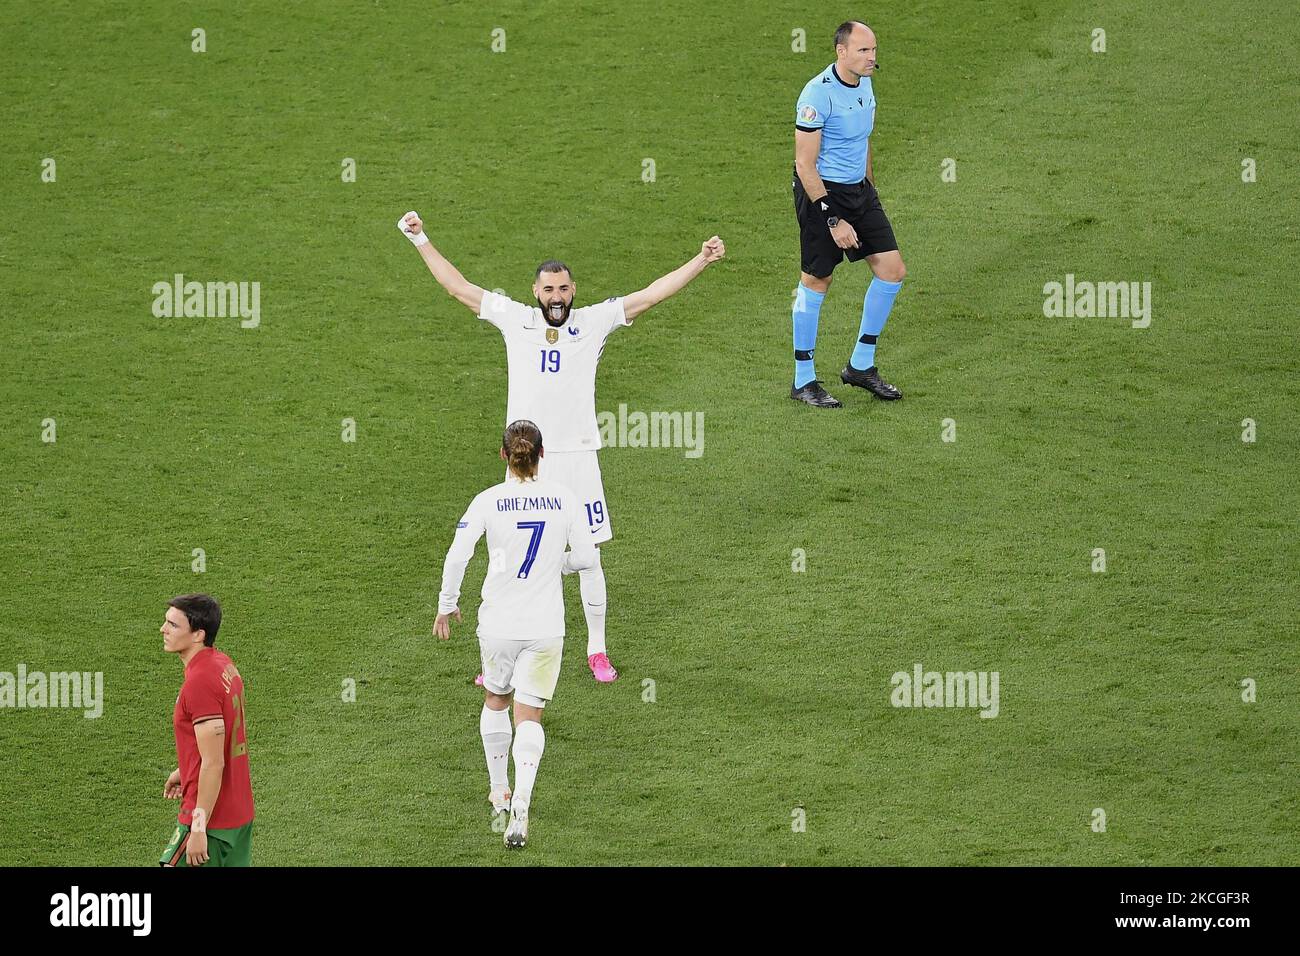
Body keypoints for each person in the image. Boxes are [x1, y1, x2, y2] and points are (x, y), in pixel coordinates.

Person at [399, 208, 725, 682]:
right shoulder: (515, 319)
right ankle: (498, 654)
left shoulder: (592, 322)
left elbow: (650, 296)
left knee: (589, 557)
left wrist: (700, 260)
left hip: (576, 456)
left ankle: (597, 649)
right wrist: (420, 238)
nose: (557, 296)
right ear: (536, 292)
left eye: (564, 288)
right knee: (508, 554)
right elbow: (458, 288)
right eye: (549, 289)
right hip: (524, 459)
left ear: (574, 291)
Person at [435, 420, 597, 848]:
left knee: (496, 699)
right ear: (542, 455)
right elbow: (584, 557)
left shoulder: (488, 500)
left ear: (504, 456)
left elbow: (457, 555)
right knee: (529, 714)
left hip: (498, 626)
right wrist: (554, 566)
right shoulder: (564, 499)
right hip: (545, 627)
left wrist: (447, 603)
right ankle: (523, 796)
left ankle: (498, 791)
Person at [791, 20, 908, 408]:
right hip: (822, 194)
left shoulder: (866, 82)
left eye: (874, 50)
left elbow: (863, 141)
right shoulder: (816, 95)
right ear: (841, 52)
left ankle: (860, 366)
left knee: (892, 271)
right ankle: (803, 380)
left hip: (859, 192)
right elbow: (805, 165)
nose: (872, 57)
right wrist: (832, 219)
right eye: (863, 51)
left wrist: (870, 190)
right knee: (817, 280)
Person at [158, 593, 254, 866]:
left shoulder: (198, 683)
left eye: (173, 625)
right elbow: (219, 740)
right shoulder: (223, 664)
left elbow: (213, 762)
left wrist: (198, 827)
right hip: (239, 813)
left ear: (198, 634)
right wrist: (186, 770)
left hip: (211, 821)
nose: (163, 629)